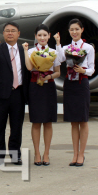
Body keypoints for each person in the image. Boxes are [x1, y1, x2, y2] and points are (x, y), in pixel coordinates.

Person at [0, 22, 29, 166]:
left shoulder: (24, 49)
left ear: (18, 33)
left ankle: (15, 155)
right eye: (7, 31)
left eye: (13, 31)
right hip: (1, 94)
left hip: (18, 93)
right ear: (3, 33)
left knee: (16, 127)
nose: (10, 33)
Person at [56, 18, 95, 167]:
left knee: (83, 120)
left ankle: (81, 154)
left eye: (77, 29)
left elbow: (92, 68)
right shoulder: (66, 48)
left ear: (82, 30)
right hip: (70, 84)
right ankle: (74, 153)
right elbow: (59, 60)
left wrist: (83, 70)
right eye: (72, 30)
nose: (74, 32)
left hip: (81, 83)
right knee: (73, 121)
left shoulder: (88, 48)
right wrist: (58, 43)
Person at [22, 25, 61, 166]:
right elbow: (29, 68)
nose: (42, 38)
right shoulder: (31, 51)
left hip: (48, 86)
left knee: (48, 121)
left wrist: (48, 77)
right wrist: (26, 51)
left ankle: (46, 153)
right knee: (36, 121)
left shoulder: (53, 52)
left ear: (49, 36)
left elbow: (57, 72)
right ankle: (37, 153)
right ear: (35, 36)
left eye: (45, 35)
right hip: (35, 87)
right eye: (39, 35)